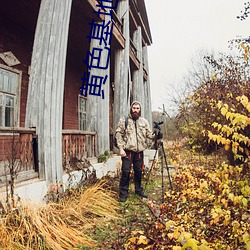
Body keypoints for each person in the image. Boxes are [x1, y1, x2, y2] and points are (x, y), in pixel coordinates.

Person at [115, 101, 160, 202]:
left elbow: (149, 135)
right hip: (127, 151)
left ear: (140, 110)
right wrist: (121, 148)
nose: (135, 110)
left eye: (137, 108)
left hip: (139, 151)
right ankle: (123, 193)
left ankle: (138, 190)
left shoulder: (144, 121)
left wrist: (156, 135)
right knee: (126, 172)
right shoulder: (124, 120)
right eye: (134, 108)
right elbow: (118, 134)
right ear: (131, 109)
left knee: (138, 171)